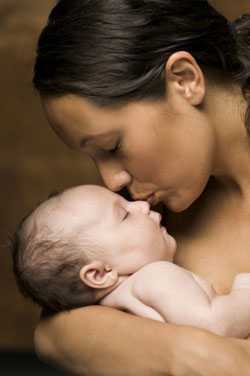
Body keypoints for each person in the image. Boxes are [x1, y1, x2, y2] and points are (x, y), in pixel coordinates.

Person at [32, 0, 250, 375]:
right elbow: (55, 331)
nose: (111, 181)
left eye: (112, 147)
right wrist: (193, 354)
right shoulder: (147, 219)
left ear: (185, 79)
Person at [13, 185, 250, 339]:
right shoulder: (156, 277)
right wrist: (243, 288)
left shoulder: (113, 308)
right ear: (99, 274)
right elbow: (216, 327)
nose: (142, 205)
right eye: (125, 214)